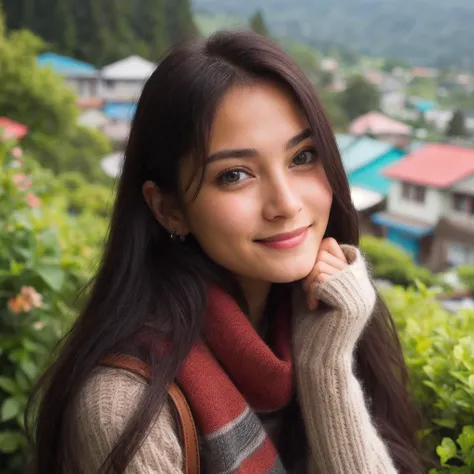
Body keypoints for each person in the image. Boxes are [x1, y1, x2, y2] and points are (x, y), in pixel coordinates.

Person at [27, 30, 425, 474]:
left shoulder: (319, 322)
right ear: (169, 208)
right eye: (235, 174)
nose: (287, 203)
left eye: (303, 156)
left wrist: (326, 363)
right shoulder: (124, 407)